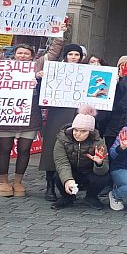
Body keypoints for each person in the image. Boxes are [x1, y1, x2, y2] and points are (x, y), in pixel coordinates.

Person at [0, 20, 64, 197]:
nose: (23, 56)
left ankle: (18, 181)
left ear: (32, 56)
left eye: (27, 54)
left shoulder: (38, 65)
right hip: (6, 114)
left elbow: (53, 53)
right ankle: (3, 181)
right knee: (4, 149)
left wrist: (60, 34)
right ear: (14, 54)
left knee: (25, 150)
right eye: (20, 53)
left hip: (29, 115)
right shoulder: (4, 63)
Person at [39, 43, 86, 201]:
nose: (74, 57)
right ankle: (50, 186)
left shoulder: (86, 72)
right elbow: (44, 92)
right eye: (71, 54)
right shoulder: (55, 69)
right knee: (52, 147)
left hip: (77, 114)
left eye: (77, 55)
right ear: (65, 55)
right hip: (58, 113)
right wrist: (41, 79)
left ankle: (69, 187)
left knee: (74, 150)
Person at [52, 105, 110, 210]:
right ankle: (67, 197)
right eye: (76, 130)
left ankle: (91, 197)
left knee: (104, 177)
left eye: (83, 131)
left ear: (90, 132)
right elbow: (61, 162)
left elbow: (104, 169)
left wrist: (99, 163)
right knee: (58, 176)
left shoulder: (99, 142)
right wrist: (68, 180)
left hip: (89, 171)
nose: (78, 134)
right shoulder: (62, 139)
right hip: (72, 170)